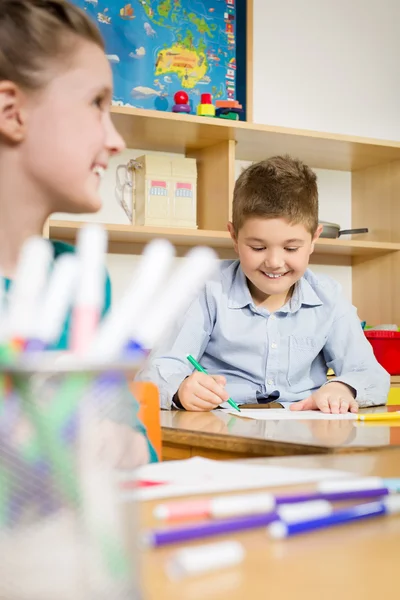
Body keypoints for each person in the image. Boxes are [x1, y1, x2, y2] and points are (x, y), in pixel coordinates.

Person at [0, 0, 156, 463]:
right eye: (96, 104)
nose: (116, 140)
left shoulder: (82, 277)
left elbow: (137, 450)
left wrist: (105, 440)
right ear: (12, 112)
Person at [136, 155, 389, 413]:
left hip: (302, 434)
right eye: (258, 247)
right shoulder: (207, 290)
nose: (274, 262)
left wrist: (344, 388)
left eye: (291, 247)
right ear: (234, 236)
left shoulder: (329, 297)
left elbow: (372, 375)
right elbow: (155, 372)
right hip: (221, 429)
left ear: (314, 239)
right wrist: (181, 389)